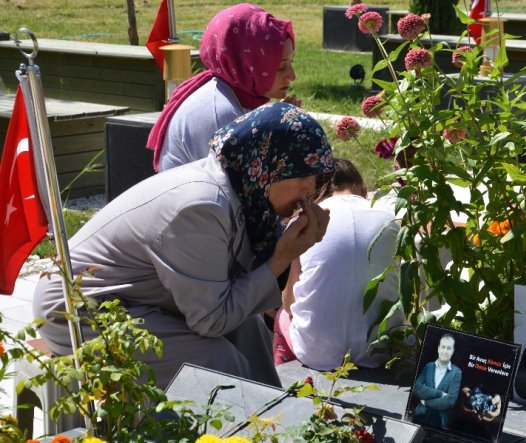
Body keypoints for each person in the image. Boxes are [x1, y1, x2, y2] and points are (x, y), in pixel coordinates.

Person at [33, 102, 334, 390]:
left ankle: (272, 421)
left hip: (131, 301)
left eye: (314, 174)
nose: (310, 187)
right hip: (75, 312)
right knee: (215, 364)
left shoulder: (241, 193)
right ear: (267, 165)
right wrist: (282, 257)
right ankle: (242, 435)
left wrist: (283, 249)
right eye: (301, 174)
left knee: (248, 329)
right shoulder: (203, 207)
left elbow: (234, 297)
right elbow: (212, 319)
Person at [273, 159, 402, 370]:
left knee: (281, 316)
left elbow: (289, 303)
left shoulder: (305, 223)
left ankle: (282, 378)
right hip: (381, 349)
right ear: (364, 190)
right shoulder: (391, 220)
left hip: (317, 353)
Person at [147, 3, 298, 172]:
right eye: (280, 67)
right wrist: (284, 131)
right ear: (248, 65)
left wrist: (276, 120)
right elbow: (251, 187)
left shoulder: (231, 93)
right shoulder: (221, 112)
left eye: (290, 63)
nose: (292, 76)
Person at [411, 333, 462, 428]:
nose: (445, 351)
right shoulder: (428, 366)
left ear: (453, 351)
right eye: (443, 347)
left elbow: (450, 401)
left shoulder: (456, 372)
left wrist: (426, 402)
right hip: (419, 417)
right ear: (438, 348)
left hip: (439, 423)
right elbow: (416, 388)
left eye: (449, 348)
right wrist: (441, 394)